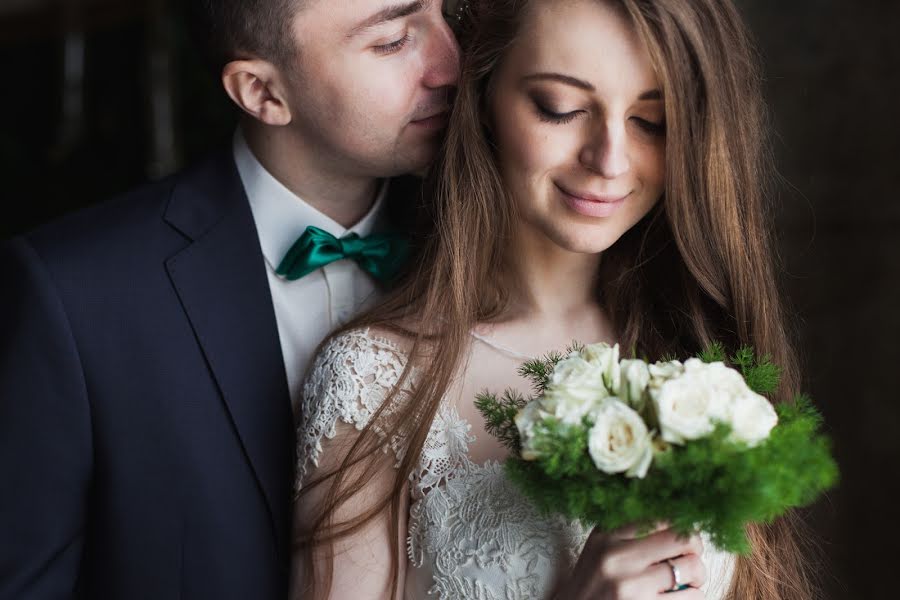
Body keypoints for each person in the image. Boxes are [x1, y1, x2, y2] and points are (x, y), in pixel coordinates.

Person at [292, 0, 816, 598]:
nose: (609, 161)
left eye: (652, 122)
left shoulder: (707, 359)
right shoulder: (374, 380)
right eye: (560, 109)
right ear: (484, 96)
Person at [0, 0, 459, 598]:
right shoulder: (73, 295)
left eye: (448, 12)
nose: (450, 63)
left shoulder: (488, 252)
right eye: (394, 40)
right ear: (261, 92)